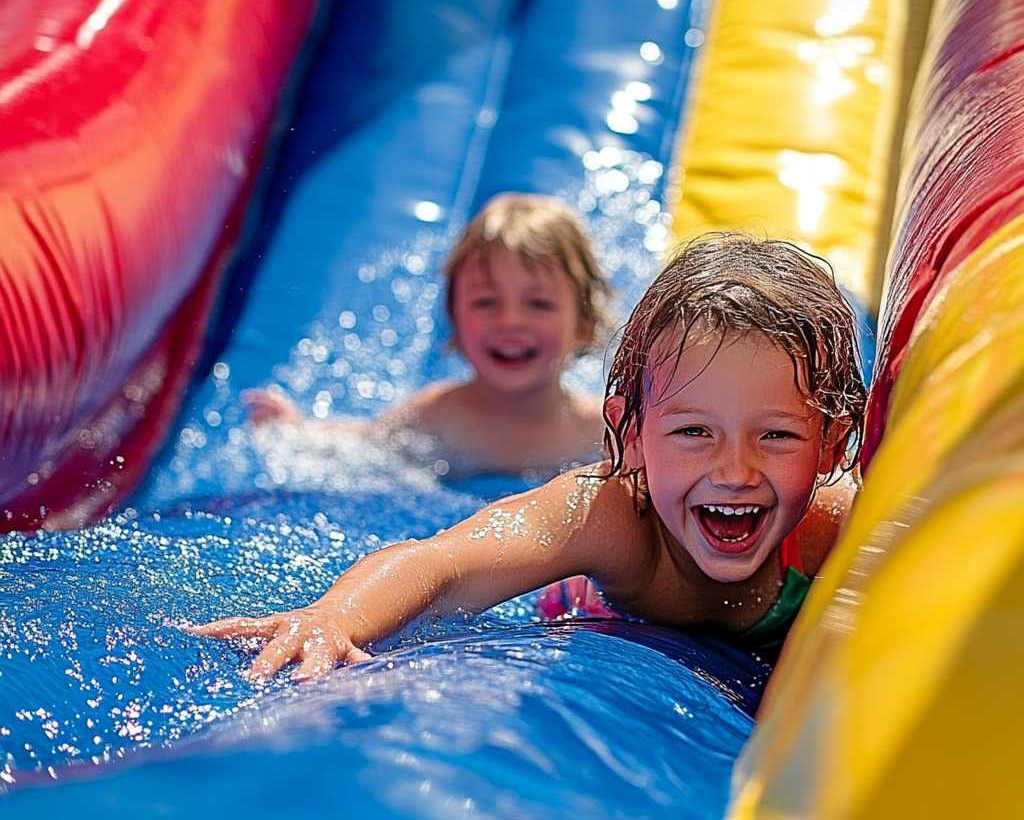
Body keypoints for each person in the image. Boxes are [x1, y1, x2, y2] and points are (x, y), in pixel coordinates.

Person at [189, 234, 866, 676]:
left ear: (832, 443)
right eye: (694, 433)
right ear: (630, 437)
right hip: (582, 615)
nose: (734, 470)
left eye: (776, 436)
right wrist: (336, 617)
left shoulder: (831, 528)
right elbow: (442, 562)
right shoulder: (609, 516)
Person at [246, 193, 612, 479]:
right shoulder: (437, 419)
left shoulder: (602, 432)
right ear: (454, 319)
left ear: (583, 325)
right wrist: (298, 431)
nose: (510, 320)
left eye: (539, 304)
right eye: (485, 302)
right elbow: (365, 443)